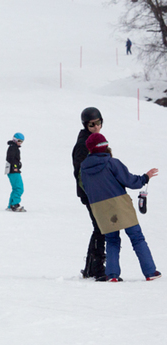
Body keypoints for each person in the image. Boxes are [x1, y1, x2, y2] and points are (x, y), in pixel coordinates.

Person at [80, 132, 161, 282]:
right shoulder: (112, 162)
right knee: (137, 237)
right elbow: (130, 181)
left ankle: (112, 275)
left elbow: (85, 187)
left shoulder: (83, 168)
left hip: (100, 208)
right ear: (105, 146)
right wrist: (145, 177)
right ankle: (150, 272)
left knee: (112, 240)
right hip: (119, 204)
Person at [72, 107, 106, 281]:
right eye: (92, 124)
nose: (96, 127)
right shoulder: (83, 144)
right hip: (90, 194)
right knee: (101, 228)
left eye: (98, 123)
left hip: (97, 192)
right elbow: (80, 172)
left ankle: (93, 267)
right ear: (85, 125)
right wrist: (91, 193)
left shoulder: (94, 140)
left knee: (100, 228)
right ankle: (96, 268)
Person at [5, 133, 26, 212]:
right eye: (19, 141)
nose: (20, 143)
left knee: (15, 188)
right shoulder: (13, 148)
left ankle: (11, 205)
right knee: (19, 188)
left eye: (22, 141)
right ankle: (15, 204)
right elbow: (10, 158)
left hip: (12, 170)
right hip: (13, 171)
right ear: (15, 139)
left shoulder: (13, 147)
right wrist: (15, 167)